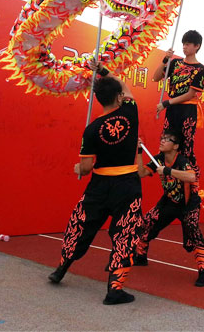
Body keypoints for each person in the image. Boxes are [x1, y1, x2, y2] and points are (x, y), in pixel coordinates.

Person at [48, 61, 143, 305]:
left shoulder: (92, 129)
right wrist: (102, 71)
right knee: (126, 233)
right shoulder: (130, 111)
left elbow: (88, 167)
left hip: (99, 185)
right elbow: (124, 85)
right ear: (119, 98)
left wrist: (79, 167)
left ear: (99, 99)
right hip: (127, 185)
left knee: (80, 226)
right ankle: (114, 290)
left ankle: (61, 269)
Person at [134, 129, 204, 287]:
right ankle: (141, 256)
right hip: (169, 202)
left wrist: (168, 171)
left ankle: (203, 271)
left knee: (194, 233)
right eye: (162, 138)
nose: (162, 141)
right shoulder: (159, 159)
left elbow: (191, 176)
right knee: (147, 222)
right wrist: (139, 151)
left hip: (188, 205)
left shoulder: (181, 161)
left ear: (175, 146)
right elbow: (140, 173)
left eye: (167, 139)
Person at [154, 30, 204, 184]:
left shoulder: (200, 69)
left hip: (187, 111)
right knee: (167, 141)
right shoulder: (175, 63)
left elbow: (191, 94)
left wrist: (166, 103)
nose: (184, 47)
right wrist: (165, 59)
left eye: (188, 44)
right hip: (172, 110)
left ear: (197, 46)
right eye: (183, 44)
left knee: (186, 145)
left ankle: (190, 180)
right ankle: (168, 175)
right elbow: (156, 77)